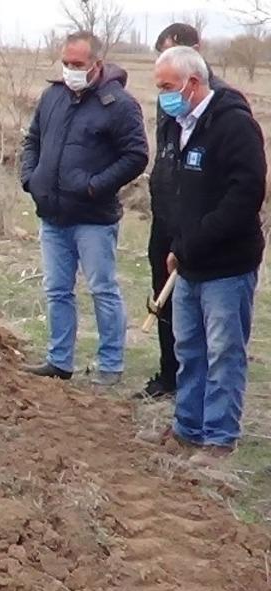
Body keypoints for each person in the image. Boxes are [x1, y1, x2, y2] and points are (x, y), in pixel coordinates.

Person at [139, 47, 266, 466]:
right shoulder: (178, 126)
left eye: (167, 87)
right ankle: (186, 428)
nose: (162, 96)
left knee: (223, 352)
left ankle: (219, 438)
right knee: (188, 348)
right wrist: (175, 243)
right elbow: (176, 193)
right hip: (187, 261)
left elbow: (244, 196)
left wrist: (196, 241)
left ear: (192, 84)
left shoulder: (234, 126)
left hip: (227, 264)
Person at [19, 31, 147, 386]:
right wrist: (31, 178)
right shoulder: (52, 96)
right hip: (52, 215)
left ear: (96, 64)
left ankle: (110, 366)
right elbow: (33, 140)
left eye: (77, 64)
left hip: (93, 219)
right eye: (66, 63)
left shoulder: (119, 105)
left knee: (102, 289)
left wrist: (95, 185)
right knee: (57, 290)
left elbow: (136, 156)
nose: (70, 70)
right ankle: (59, 361)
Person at [140, 23, 235, 400]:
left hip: (202, 231)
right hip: (167, 219)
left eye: (171, 52)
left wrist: (198, 230)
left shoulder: (222, 108)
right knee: (164, 302)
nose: (164, 93)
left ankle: (207, 398)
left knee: (206, 321)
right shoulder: (171, 105)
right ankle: (170, 375)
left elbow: (237, 186)